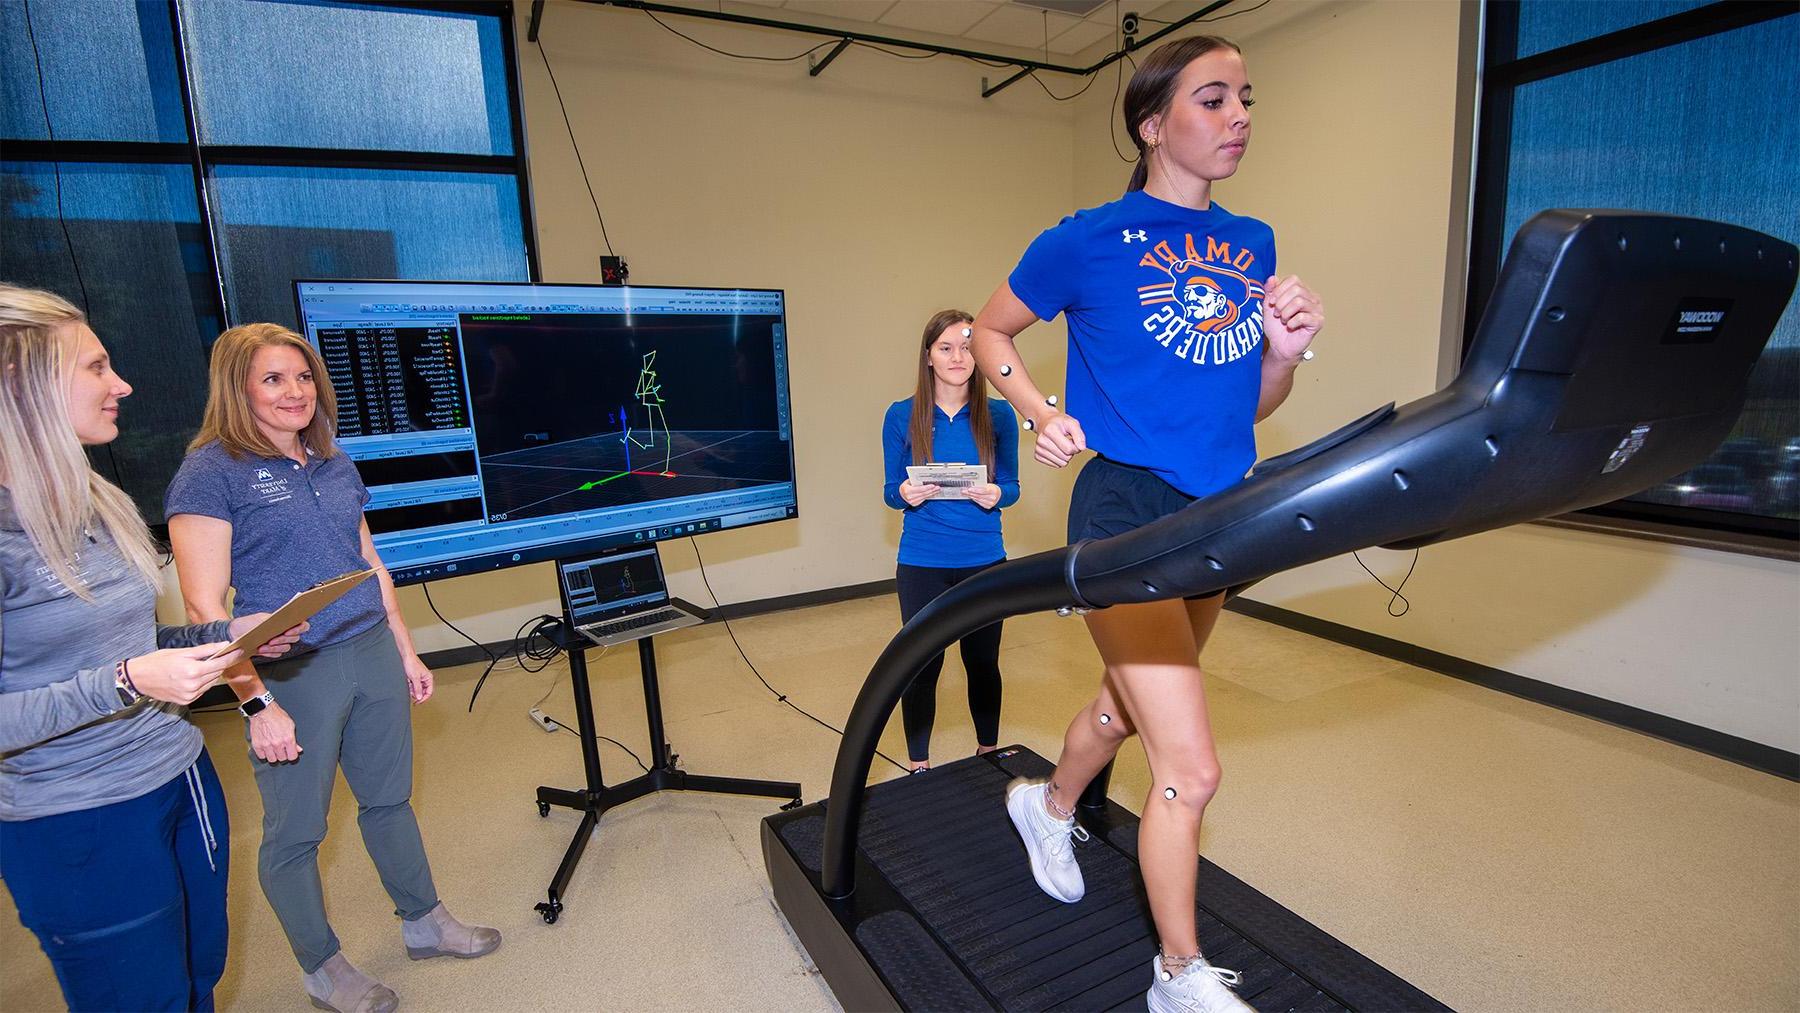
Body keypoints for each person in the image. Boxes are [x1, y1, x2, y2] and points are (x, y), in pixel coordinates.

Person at [971, 36, 1324, 1013]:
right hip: (1123, 508)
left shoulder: (1252, 243)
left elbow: (1241, 405)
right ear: (1152, 121)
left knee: (1129, 704)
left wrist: (1285, 355)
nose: (1239, 115)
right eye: (1213, 99)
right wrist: (1044, 415)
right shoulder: (1086, 238)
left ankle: (1044, 805)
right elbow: (990, 330)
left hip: (1219, 508)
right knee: (1190, 765)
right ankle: (1176, 973)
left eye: (1246, 97)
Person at [165, 323, 499, 1013]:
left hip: (369, 648)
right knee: (296, 831)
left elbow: (368, 563)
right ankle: (321, 966)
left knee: (388, 799)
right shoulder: (210, 471)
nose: (296, 391)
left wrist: (405, 649)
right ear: (238, 388)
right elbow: (204, 604)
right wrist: (255, 704)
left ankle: (422, 918)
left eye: (303, 376)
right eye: (273, 379)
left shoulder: (331, 460)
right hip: (292, 674)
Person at [0, 284, 304, 1012]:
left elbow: (130, 647)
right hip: (76, 816)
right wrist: (128, 680)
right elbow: (117, 672)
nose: (122, 385)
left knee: (198, 976)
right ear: (23, 385)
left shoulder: (89, 499)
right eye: (96, 368)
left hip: (177, 775)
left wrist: (220, 635)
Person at [882, 309, 1021, 772]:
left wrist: (998, 493)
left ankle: (988, 754)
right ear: (928, 357)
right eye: (946, 348)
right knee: (922, 666)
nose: (958, 357)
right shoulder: (902, 415)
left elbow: (1014, 487)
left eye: (966, 347)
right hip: (922, 561)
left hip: (985, 559)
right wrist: (903, 492)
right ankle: (919, 765)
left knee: (983, 662)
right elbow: (888, 490)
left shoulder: (998, 414)